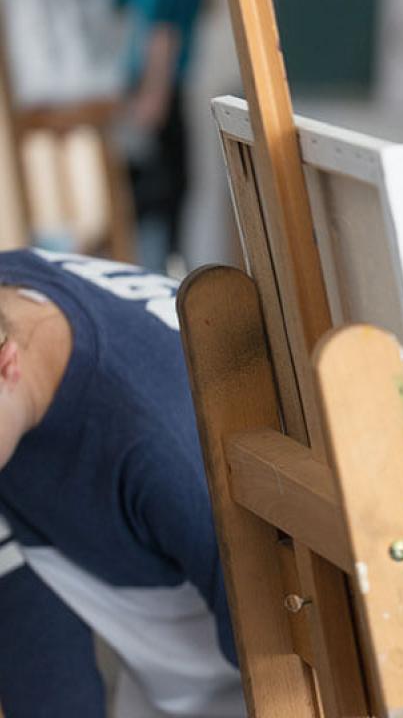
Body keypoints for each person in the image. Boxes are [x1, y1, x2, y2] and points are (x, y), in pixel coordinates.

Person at [0, 248, 243, 717]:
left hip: (243, 676)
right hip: (158, 664)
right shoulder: (15, 305)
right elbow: (34, 639)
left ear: (7, 363)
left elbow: (284, 667)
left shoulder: (160, 445)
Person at [115, 0, 209, 274]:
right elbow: (162, 32)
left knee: (158, 187)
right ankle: (163, 272)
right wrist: (155, 96)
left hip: (144, 87)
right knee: (169, 189)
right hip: (162, 90)